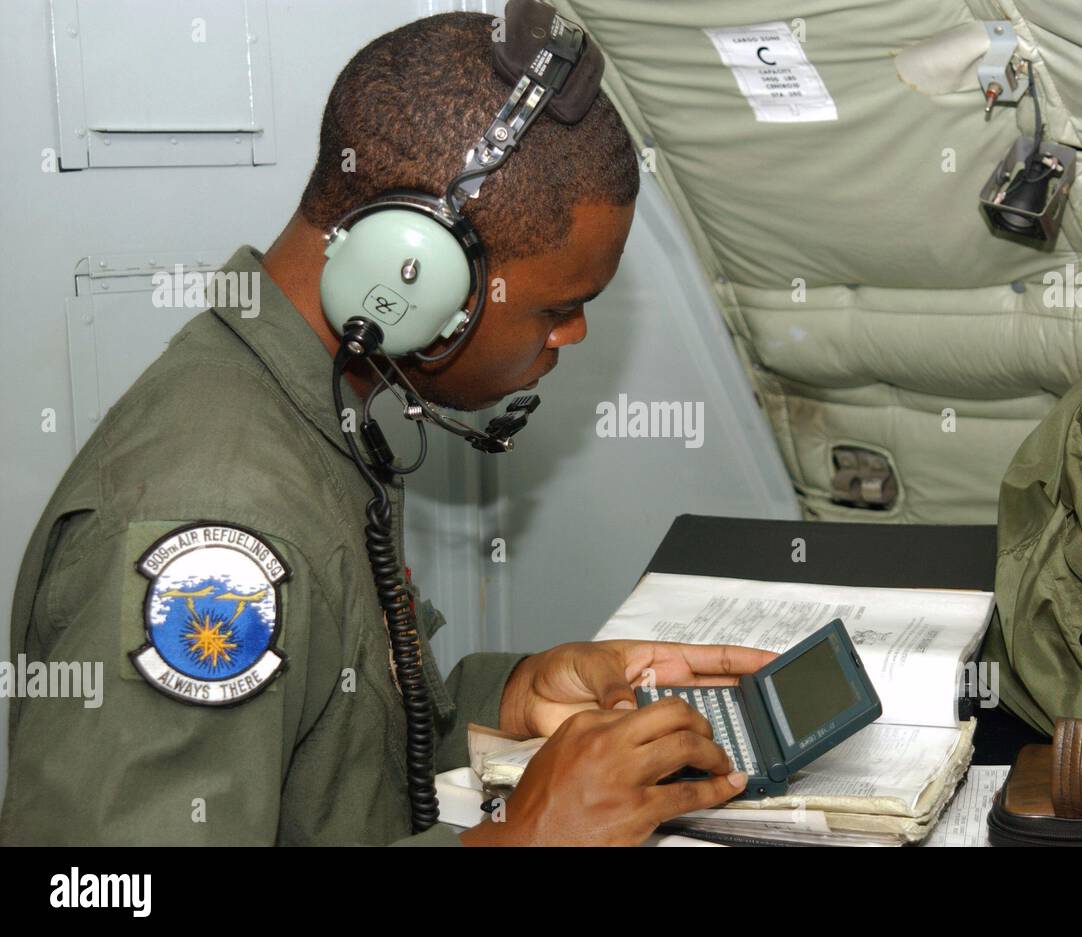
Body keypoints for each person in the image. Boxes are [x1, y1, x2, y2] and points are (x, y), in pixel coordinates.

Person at [1, 11, 773, 847]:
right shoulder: (215, 531)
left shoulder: (309, 414)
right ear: (409, 271)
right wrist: (517, 840)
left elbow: (329, 757)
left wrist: (512, 698)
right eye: (558, 307)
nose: (573, 336)